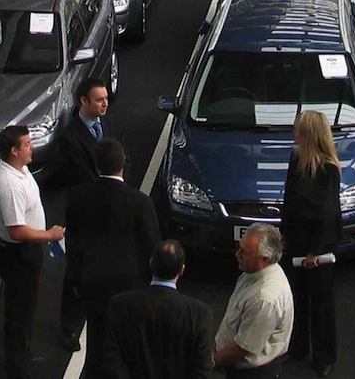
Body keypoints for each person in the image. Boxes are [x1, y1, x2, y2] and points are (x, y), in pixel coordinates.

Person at [64, 139, 161, 378]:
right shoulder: (140, 202)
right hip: (130, 286)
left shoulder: (77, 197)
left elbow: (73, 244)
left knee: (96, 343)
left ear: (97, 166)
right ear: (123, 164)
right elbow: (152, 246)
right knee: (127, 345)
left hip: (92, 283)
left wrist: (76, 281)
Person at [0, 125, 65, 379]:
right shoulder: (9, 185)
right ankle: (18, 369)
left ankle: (23, 354)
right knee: (19, 313)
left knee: (24, 308)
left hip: (23, 253)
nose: (31, 148)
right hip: (18, 254)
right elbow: (17, 231)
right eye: (27, 145)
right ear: (14, 151)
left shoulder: (18, 169)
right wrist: (49, 235)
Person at [55, 76, 123, 348]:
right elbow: (83, 176)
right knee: (77, 273)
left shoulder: (109, 124)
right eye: (99, 100)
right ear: (83, 101)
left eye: (106, 99)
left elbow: (120, 156)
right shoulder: (70, 137)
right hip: (84, 214)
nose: (105, 104)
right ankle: (69, 327)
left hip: (109, 210)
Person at [280, 111, 341, 378]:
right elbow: (289, 201)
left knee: (321, 303)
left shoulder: (328, 169)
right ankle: (298, 347)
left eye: (298, 130)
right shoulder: (296, 160)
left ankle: (324, 355)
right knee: (297, 299)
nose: (293, 134)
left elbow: (327, 214)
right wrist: (284, 234)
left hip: (318, 247)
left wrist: (315, 251)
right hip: (296, 240)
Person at [104, 240, 216, 379]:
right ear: (182, 270)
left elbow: (111, 359)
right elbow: (202, 369)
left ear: (151, 263)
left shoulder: (120, 305)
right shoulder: (200, 313)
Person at [214, 224, 294, 379]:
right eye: (239, 248)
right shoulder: (251, 274)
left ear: (265, 258)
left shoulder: (264, 299)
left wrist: (211, 362)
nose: (237, 254)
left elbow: (243, 347)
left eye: (245, 252)